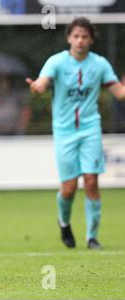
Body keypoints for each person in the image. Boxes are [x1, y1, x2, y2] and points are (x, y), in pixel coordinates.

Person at [26, 17, 125, 250]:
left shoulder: (100, 64)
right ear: (69, 38)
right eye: (76, 36)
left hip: (91, 129)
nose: (80, 40)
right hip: (64, 131)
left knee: (91, 181)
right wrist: (37, 87)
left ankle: (92, 237)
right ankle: (64, 223)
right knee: (69, 188)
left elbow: (119, 93)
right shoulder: (57, 62)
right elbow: (42, 82)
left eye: (85, 36)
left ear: (91, 40)